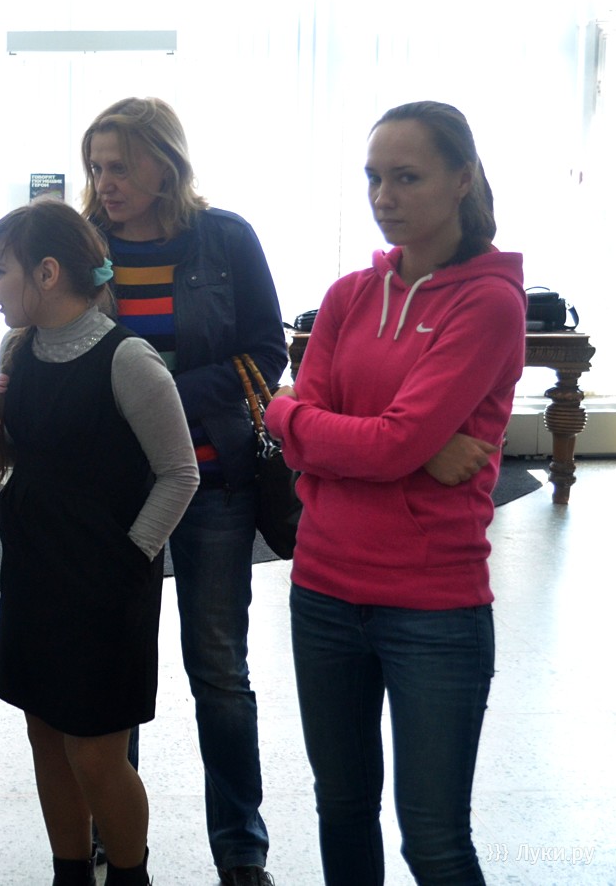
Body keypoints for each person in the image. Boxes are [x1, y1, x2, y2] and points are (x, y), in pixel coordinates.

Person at [264, 101, 524, 885]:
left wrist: (309, 422)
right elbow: (308, 428)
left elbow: (378, 440)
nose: (384, 197)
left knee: (434, 841)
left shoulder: (489, 302)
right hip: (323, 591)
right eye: (374, 178)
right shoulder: (348, 296)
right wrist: (313, 423)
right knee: (341, 809)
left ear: (463, 179)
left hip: (432, 608)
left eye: (406, 177)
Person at [0, 199, 199, 886]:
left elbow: (180, 473)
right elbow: (36, 455)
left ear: (48, 272)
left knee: (96, 753)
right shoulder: (20, 351)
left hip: (105, 588)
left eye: (0, 270)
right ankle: (69, 873)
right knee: (46, 738)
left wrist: (127, 559)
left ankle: (128, 875)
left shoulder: (128, 360)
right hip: (35, 575)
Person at [79, 97, 286, 885]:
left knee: (219, 670)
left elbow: (265, 354)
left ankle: (241, 849)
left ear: (165, 167)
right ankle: (114, 835)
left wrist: (157, 391)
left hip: (212, 481)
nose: (105, 182)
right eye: (97, 166)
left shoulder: (226, 239)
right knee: (111, 669)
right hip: (112, 487)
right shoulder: (83, 241)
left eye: (120, 166)